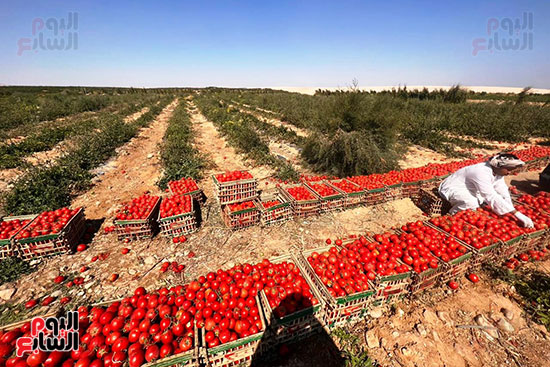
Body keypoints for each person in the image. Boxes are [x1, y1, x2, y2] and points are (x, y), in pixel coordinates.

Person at [438, 152, 534, 228]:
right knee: (471, 203)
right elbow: (490, 195)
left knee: (483, 202)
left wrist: (511, 209)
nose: (509, 172)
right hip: (454, 187)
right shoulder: (481, 172)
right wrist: (516, 214)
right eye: (508, 169)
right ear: (499, 166)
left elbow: (502, 191)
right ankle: (452, 215)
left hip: (471, 188)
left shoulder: (497, 172)